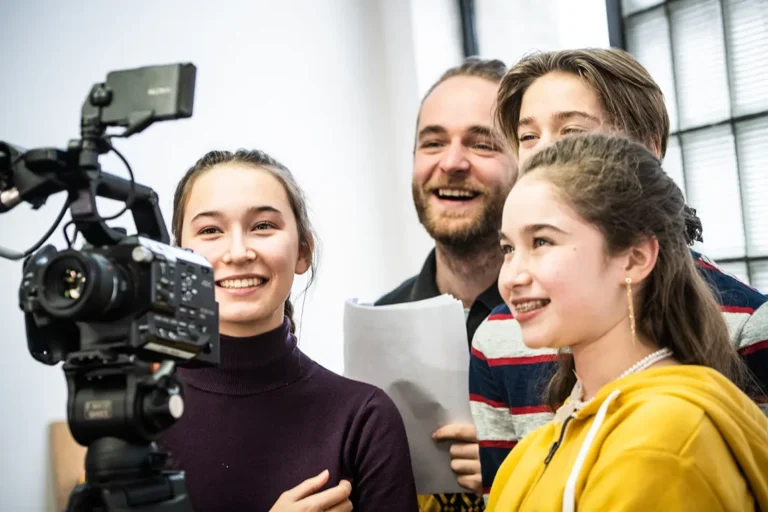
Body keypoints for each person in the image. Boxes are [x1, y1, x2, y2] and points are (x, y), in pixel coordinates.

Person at [469, 48, 768, 501]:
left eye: (572, 132)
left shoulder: (674, 434)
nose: (546, 153)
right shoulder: (534, 437)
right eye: (509, 248)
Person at [162, 149, 418, 511]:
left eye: (263, 226)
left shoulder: (363, 417)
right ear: (179, 260)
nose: (238, 252)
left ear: (303, 250)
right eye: (210, 230)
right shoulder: (138, 411)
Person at [376, 57, 515, 511]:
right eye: (432, 143)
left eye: (482, 144)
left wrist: (517, 467)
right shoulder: (378, 326)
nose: (452, 163)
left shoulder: (567, 320)